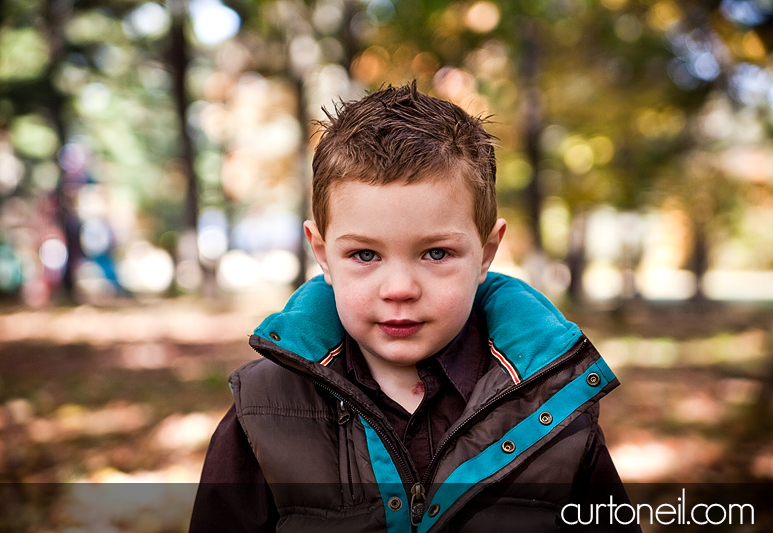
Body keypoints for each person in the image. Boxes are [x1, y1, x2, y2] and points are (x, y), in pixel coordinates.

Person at [190, 82, 637, 532]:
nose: (400, 289)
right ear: (323, 254)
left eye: (436, 253)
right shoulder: (265, 408)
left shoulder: (552, 403)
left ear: (485, 252)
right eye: (365, 255)